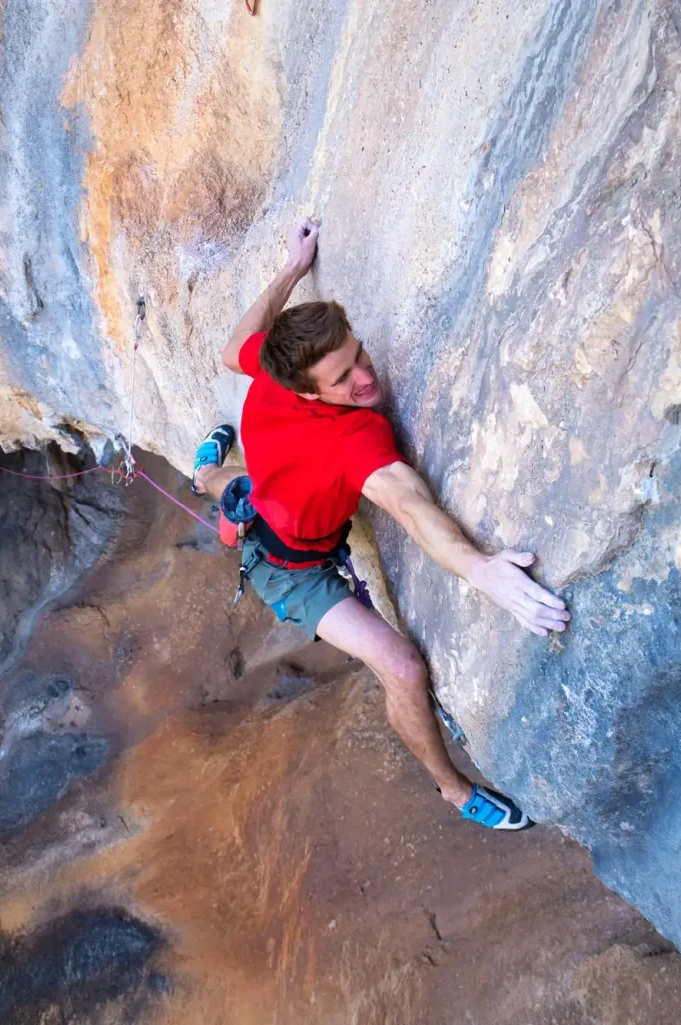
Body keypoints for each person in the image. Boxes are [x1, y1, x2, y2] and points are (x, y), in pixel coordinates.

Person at [194, 219, 571, 830]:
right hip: (295, 572)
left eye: (359, 354)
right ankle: (454, 791)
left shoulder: (283, 378)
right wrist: (480, 570)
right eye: (342, 379)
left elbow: (234, 345)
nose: (364, 378)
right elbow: (410, 508)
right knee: (402, 668)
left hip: (271, 498)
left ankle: (209, 473)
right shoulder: (351, 434)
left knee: (240, 487)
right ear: (307, 393)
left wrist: (295, 267)